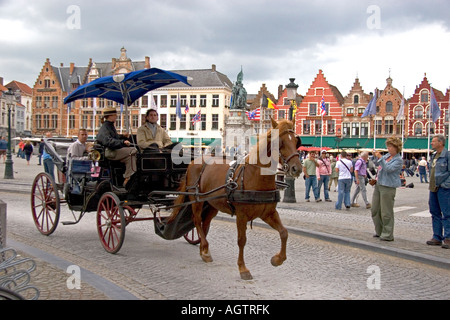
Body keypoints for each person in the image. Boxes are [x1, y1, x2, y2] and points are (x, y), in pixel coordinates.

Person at [371, 137, 403, 241]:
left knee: (386, 211)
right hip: (379, 184)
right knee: (375, 210)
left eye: (390, 146)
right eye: (387, 146)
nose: (388, 148)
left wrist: (380, 157)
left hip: (388, 186)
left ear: (396, 147)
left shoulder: (398, 160)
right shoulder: (387, 156)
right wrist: (375, 157)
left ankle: (387, 233)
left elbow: (388, 169)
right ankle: (379, 231)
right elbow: (379, 166)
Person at [96, 107, 137, 187]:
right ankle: (128, 177)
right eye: (115, 115)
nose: (116, 116)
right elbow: (108, 141)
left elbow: (114, 137)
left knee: (130, 157)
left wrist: (122, 136)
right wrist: (123, 142)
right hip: (110, 152)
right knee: (133, 150)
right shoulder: (104, 128)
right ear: (110, 116)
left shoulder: (109, 126)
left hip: (114, 151)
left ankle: (130, 176)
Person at [426, 135, 450, 249]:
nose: (431, 143)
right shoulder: (433, 156)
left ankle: (448, 238)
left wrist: (445, 185)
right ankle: (437, 237)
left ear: (441, 143)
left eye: (433, 141)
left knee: (447, 213)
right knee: (434, 212)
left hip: (443, 188)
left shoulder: (447, 155)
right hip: (433, 188)